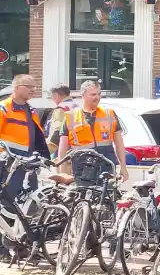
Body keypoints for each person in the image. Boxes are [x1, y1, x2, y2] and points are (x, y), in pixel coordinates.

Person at [0, 75, 50, 262]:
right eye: (30, 87)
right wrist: (5, 156)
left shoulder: (31, 110)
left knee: (28, 205)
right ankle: (4, 249)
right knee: (7, 204)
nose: (33, 90)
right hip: (8, 165)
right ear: (17, 87)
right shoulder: (4, 108)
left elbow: (35, 137)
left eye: (35, 87)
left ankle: (23, 245)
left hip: (28, 165)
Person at [57, 80, 129, 182]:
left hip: (106, 169)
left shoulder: (109, 114)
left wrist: (123, 167)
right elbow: (63, 147)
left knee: (107, 197)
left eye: (99, 94)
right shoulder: (70, 117)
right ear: (83, 95)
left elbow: (119, 142)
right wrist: (62, 172)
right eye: (93, 94)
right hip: (82, 170)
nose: (97, 97)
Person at [44, 83, 74, 157]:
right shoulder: (78, 107)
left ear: (56, 95)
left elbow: (57, 131)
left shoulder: (61, 109)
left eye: (52, 96)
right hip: (75, 149)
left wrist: (46, 151)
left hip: (62, 151)